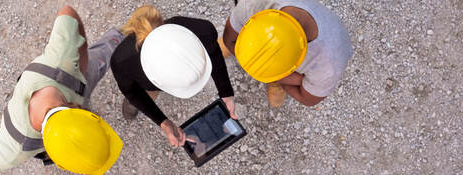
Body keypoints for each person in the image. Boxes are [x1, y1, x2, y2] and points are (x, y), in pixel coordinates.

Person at [0, 5, 125, 175]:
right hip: (73, 81)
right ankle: (124, 37)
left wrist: (82, 65)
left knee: (101, 57)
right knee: (102, 59)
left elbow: (67, 12)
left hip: (74, 76)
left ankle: (127, 35)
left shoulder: (63, 59)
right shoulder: (14, 148)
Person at [110, 5, 237, 148]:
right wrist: (161, 121)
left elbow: (213, 52)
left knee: (142, 91)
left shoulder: (204, 32)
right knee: (142, 94)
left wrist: (226, 92)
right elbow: (131, 91)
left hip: (146, 78)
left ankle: (143, 98)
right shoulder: (122, 61)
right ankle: (139, 101)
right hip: (143, 80)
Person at [220, 0, 354, 107]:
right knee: (229, 41)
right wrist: (297, 80)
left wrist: (276, 78)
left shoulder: (330, 63)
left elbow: (307, 99)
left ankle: (275, 84)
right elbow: (229, 39)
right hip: (293, 75)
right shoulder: (254, 4)